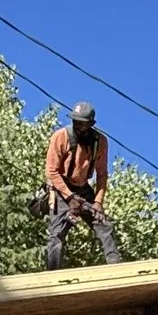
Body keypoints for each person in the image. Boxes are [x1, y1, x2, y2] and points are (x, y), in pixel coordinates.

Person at [43, 101, 122, 269]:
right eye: (75, 121)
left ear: (90, 124)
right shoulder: (61, 136)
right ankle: (52, 274)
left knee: (104, 225)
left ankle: (115, 266)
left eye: (82, 123)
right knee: (56, 234)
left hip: (84, 188)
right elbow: (51, 171)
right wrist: (69, 198)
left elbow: (101, 175)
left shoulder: (99, 142)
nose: (77, 125)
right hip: (61, 186)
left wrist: (98, 202)